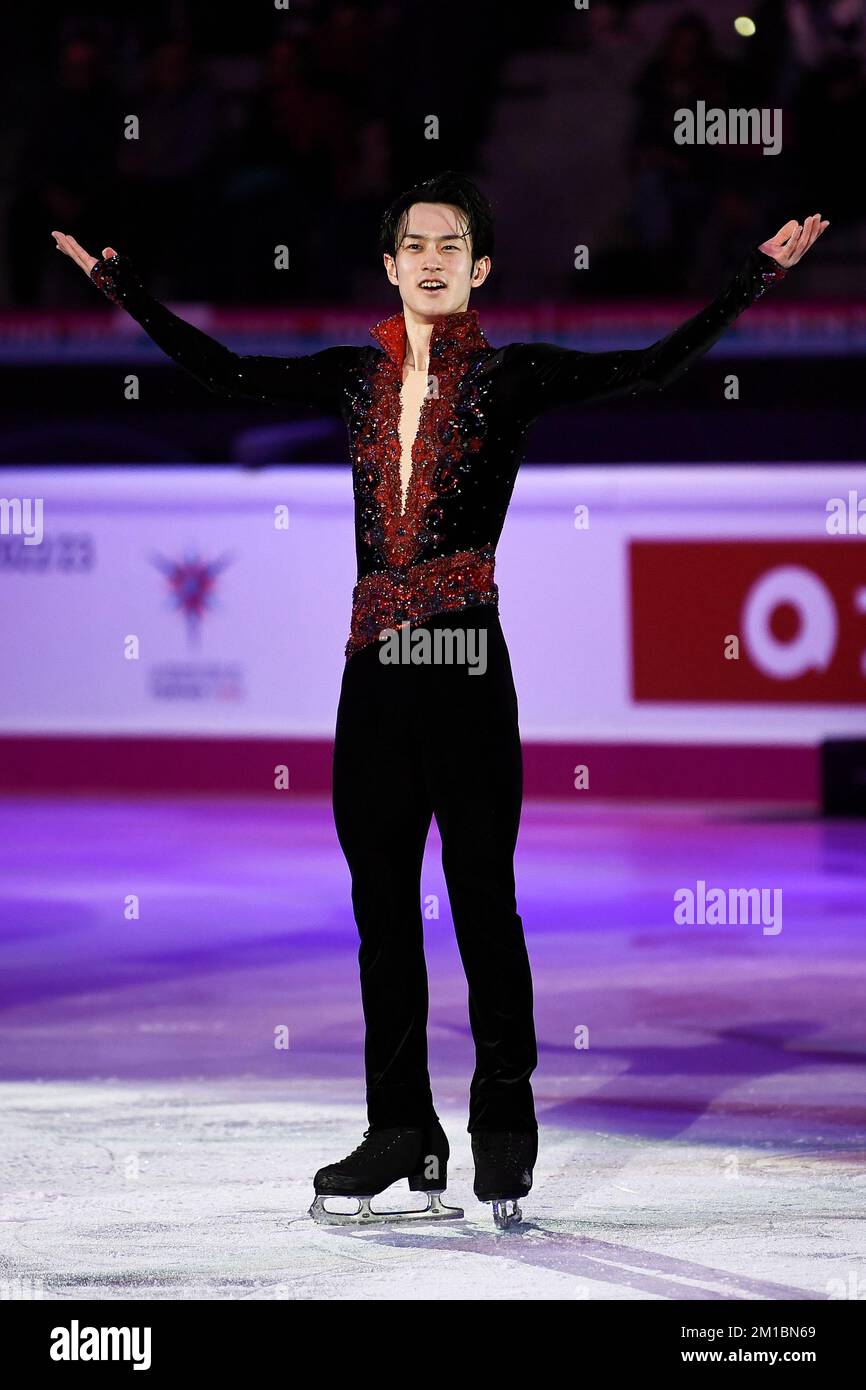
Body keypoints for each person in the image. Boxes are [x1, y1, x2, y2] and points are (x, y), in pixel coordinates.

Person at [52, 171, 827, 1229]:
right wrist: (124, 289)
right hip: (371, 668)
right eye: (413, 243)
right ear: (388, 264)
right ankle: (401, 1132)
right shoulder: (347, 377)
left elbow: (648, 370)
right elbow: (223, 370)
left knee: (479, 899)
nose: (429, 258)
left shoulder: (512, 378)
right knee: (381, 913)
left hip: (465, 658)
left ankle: (502, 1129)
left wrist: (753, 279)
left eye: (450, 244)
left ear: (479, 268)